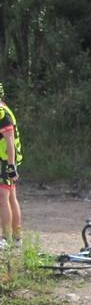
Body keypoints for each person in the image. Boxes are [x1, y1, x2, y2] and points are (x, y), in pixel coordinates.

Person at [0, 82, 23, 250]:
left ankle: (7, 238)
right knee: (10, 197)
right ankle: (16, 238)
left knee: (3, 198)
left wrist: (10, 166)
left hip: (5, 160)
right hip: (6, 159)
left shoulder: (1, 112)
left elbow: (9, 140)